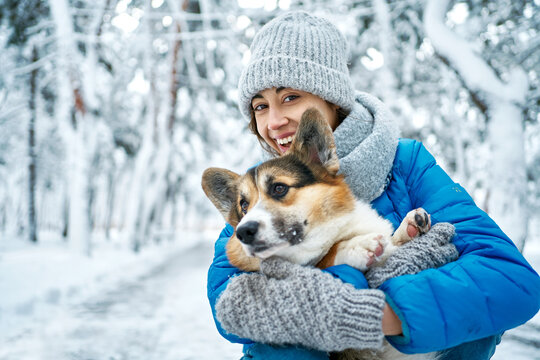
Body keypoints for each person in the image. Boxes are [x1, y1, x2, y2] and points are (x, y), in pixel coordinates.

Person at [207, 11, 540, 360]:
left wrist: (375, 314)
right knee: (279, 342)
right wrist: (347, 276)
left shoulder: (405, 163)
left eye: (290, 97)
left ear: (330, 98)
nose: (273, 121)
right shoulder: (255, 192)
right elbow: (228, 301)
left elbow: (510, 279)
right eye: (260, 106)